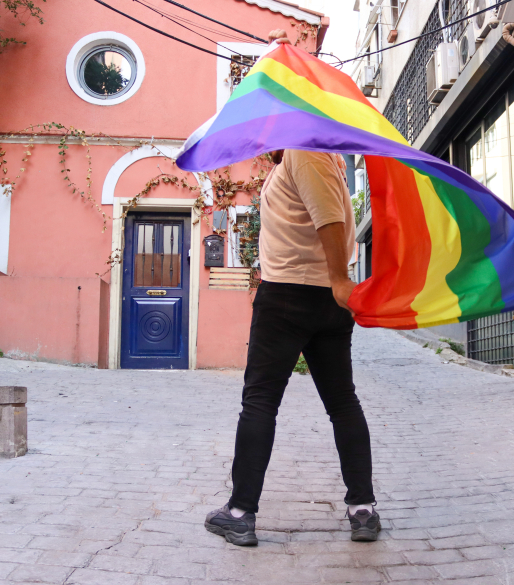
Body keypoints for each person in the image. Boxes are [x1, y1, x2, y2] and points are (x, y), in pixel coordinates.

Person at [204, 29, 379, 547]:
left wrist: (342, 281)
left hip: (292, 297)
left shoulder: (307, 152)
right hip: (317, 297)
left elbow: (328, 221)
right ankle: (362, 508)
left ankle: (240, 512)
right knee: (341, 402)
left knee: (260, 402)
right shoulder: (315, 157)